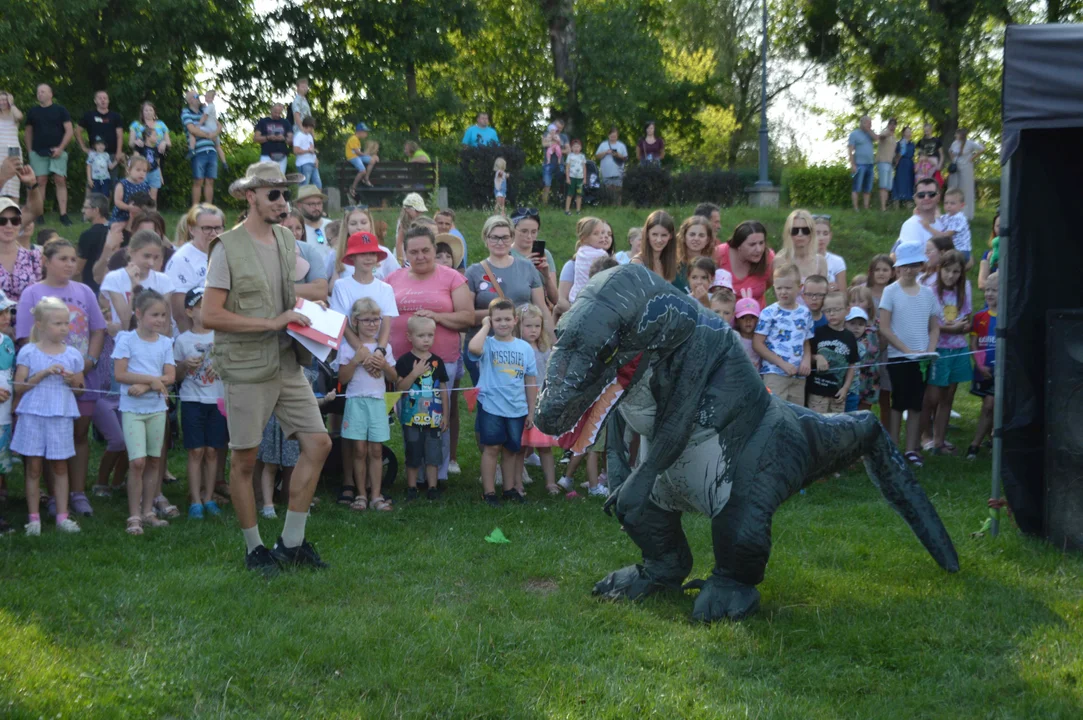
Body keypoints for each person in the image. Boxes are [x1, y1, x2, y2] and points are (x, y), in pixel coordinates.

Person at [202, 161, 333, 574]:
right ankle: (254, 547)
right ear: (250, 196)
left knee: (318, 444)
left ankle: (291, 541)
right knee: (244, 460)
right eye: (273, 193)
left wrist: (311, 312)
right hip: (245, 367)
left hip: (287, 361)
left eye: (285, 193)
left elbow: (287, 293)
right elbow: (210, 314)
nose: (282, 202)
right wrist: (271, 322)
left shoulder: (283, 238)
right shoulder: (226, 247)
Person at [15, 237, 106, 515]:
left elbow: (97, 329)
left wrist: (88, 361)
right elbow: (24, 336)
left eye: (73, 258)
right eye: (62, 258)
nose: (70, 264)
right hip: (44, 383)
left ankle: (77, 493)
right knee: (47, 435)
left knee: (79, 434)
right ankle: (53, 494)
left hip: (80, 374)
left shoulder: (84, 291)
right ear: (46, 261)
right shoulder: (32, 293)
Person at [386, 226, 473, 482]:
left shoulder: (452, 278)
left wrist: (437, 316)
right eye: (414, 251)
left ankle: (439, 472)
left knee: (437, 420)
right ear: (405, 253)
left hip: (441, 361)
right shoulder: (392, 279)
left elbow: (467, 317)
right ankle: (415, 472)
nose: (421, 256)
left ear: (435, 250)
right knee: (409, 417)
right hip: (403, 362)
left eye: (426, 250)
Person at [12, 296, 85, 535]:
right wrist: (42, 373)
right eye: (57, 323)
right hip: (33, 414)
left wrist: (72, 380)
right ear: (40, 325)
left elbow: (80, 389)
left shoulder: (73, 354)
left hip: (60, 415)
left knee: (60, 466)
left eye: (66, 323)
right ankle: (34, 518)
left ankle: (62, 516)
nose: (64, 328)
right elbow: (19, 387)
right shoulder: (29, 352)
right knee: (33, 467)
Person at [111, 289, 175, 534]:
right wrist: (152, 380)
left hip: (156, 409)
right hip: (133, 411)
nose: (160, 320)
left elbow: (169, 375)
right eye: (154, 315)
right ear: (138, 314)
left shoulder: (166, 342)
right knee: (137, 462)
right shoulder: (127, 339)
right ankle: (134, 514)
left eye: (163, 315)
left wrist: (146, 385)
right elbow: (120, 374)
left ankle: (148, 511)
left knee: (154, 460)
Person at [467, 299, 537, 506]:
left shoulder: (524, 348)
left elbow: (530, 381)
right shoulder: (487, 344)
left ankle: (509, 489)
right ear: (491, 321)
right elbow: (473, 347)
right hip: (491, 406)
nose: (503, 323)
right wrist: (486, 326)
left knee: (511, 450)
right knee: (491, 448)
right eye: (498, 319)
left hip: (517, 408)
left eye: (507, 319)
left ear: (515, 320)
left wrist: (531, 411)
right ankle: (489, 492)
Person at [878, 242, 940, 467]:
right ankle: (894, 446)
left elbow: (934, 326)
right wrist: (906, 351)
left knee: (917, 402)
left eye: (914, 265)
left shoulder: (927, 293)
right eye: (905, 265)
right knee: (898, 402)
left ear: (921, 266)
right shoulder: (890, 291)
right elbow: (884, 327)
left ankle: (911, 448)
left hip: (923, 359)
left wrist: (929, 349)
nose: (910, 270)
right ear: (898, 268)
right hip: (898, 357)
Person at [463, 215, 546, 385]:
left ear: (512, 239)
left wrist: (552, 342)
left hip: (521, 347)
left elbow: (541, 308)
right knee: (489, 400)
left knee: (524, 399)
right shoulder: (474, 272)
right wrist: (502, 314)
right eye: (494, 237)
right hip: (487, 348)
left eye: (505, 237)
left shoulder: (527, 267)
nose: (500, 242)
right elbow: (467, 316)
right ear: (486, 239)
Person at [338, 297, 398, 510]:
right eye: (367, 320)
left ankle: (376, 495)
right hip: (356, 402)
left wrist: (383, 365)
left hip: (377, 403)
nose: (373, 324)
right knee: (359, 450)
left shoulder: (385, 348)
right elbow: (343, 379)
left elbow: (394, 378)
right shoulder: (347, 347)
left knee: (376, 450)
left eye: (376, 320)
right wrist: (357, 360)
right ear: (355, 322)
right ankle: (361, 494)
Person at [173, 288, 225, 519]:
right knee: (196, 451)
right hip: (192, 400)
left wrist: (221, 366)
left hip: (218, 399)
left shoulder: (222, 336)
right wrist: (185, 365)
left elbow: (232, 366)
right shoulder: (182, 340)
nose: (206, 311)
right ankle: (195, 500)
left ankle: (209, 497)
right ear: (189, 311)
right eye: (200, 306)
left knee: (213, 450)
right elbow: (175, 376)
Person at [394, 314, 450, 502]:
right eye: (421, 336)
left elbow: (443, 390)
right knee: (413, 451)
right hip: (411, 417)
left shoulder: (437, 362)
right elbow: (400, 387)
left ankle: (433, 487)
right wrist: (415, 373)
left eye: (430, 335)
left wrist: (446, 416)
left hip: (434, 416)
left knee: (433, 451)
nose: (426, 340)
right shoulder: (404, 361)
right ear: (409, 337)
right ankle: (412, 487)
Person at [922, 250, 971, 454]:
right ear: (939, 269)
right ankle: (924, 436)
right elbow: (929, 323)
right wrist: (952, 328)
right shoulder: (931, 291)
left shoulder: (963, 291)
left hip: (958, 348)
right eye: (947, 271)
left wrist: (965, 326)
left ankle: (940, 440)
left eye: (956, 272)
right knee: (932, 396)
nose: (951, 276)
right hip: (938, 348)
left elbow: (968, 319)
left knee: (948, 396)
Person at [753, 264, 812, 406]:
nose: (783, 292)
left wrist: (806, 360)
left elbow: (806, 341)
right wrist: (782, 364)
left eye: (788, 288)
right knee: (775, 412)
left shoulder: (805, 313)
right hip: (775, 373)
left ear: (800, 287)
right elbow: (757, 343)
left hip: (798, 375)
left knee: (796, 415)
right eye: (779, 288)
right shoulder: (769, 313)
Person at [518, 304, 558, 494]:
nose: (533, 330)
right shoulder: (517, 348)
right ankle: (517, 481)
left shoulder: (544, 347)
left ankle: (551, 482)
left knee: (545, 445)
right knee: (518, 446)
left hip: (542, 399)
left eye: (537, 326)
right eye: (528, 326)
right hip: (521, 400)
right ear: (519, 325)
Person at [166, 205, 224, 331]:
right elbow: (180, 314)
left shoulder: (225, 253)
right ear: (192, 230)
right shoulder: (182, 261)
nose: (213, 233)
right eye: (207, 228)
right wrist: (192, 343)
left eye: (218, 228)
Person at [100, 230, 175, 330]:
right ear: (131, 252)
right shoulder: (114, 278)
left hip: (156, 341)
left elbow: (166, 324)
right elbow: (125, 323)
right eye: (146, 256)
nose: (151, 263)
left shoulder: (163, 280)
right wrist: (134, 287)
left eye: (155, 257)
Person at [25, 84, 74, 226]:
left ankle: (63, 214)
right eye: (38, 92)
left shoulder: (61, 110)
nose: (39, 94)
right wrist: (30, 151)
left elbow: (69, 131)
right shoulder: (33, 112)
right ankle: (39, 214)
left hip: (58, 151)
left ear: (50, 94)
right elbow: (28, 132)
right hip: (38, 152)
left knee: (60, 180)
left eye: (43, 91)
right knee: (40, 181)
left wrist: (61, 148)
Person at [807, 291, 859, 414]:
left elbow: (852, 365)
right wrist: (817, 358)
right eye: (828, 310)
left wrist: (846, 388)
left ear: (847, 310)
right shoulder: (818, 333)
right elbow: (807, 356)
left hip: (838, 393)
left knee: (836, 426)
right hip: (817, 392)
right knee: (817, 424)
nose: (832, 313)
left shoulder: (849, 337)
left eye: (836, 309)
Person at [966, 271, 997, 460]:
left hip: (1000, 370)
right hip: (982, 370)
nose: (990, 294)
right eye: (987, 290)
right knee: (987, 406)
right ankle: (992, 439)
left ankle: (974, 445)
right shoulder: (979, 317)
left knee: (990, 404)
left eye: (994, 290)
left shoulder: (1010, 316)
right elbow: (974, 344)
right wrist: (979, 364)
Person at [715, 220, 774, 309]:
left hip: (756, 316)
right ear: (739, 246)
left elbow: (771, 283)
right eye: (752, 244)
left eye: (761, 243)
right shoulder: (719, 254)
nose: (759, 249)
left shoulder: (768, 257)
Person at [333, 206, 399, 284]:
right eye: (353, 224)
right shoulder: (336, 253)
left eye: (364, 223)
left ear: (370, 225)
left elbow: (398, 281)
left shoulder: (384, 252)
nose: (359, 227)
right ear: (346, 227)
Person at [508, 208, 555, 305]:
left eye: (534, 232)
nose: (529, 236)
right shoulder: (506, 254)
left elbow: (555, 299)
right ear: (512, 230)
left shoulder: (545, 255)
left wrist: (547, 277)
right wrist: (524, 267)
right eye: (524, 231)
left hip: (540, 311)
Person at [0, 197, 43, 303]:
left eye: (15, 220)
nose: (9, 226)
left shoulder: (34, 257)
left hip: (27, 318)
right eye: (2, 221)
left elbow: (41, 295)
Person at [181, 90, 220, 205]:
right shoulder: (185, 112)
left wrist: (214, 133)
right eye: (196, 96)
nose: (199, 98)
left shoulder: (205, 110)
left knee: (210, 180)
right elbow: (192, 129)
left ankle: (209, 207)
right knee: (198, 180)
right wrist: (209, 135)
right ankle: (195, 209)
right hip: (198, 151)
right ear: (190, 100)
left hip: (211, 150)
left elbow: (219, 126)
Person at [846, 288, 880, 412]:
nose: (856, 304)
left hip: (869, 373)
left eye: (861, 301)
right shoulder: (846, 324)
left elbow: (881, 344)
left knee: (864, 411)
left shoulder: (875, 324)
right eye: (852, 301)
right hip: (853, 373)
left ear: (869, 303)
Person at [778, 209, 828, 284]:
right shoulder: (780, 260)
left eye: (805, 230)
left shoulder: (821, 262)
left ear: (812, 232)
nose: (800, 234)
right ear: (788, 232)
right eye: (795, 230)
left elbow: (823, 292)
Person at [570, 216, 612, 304]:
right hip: (590, 298)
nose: (602, 236)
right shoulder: (601, 254)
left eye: (602, 232)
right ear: (585, 238)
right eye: (596, 234)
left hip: (575, 296)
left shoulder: (580, 251)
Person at [631, 210, 678, 285]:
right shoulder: (638, 263)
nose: (659, 240)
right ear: (647, 234)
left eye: (664, 235)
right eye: (654, 234)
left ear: (670, 236)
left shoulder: (668, 262)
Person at [674, 214, 718, 292]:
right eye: (692, 234)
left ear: (707, 240)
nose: (696, 239)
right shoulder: (673, 265)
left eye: (701, 235)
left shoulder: (711, 267)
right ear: (684, 237)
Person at [75, 193, 110, 292]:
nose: (83, 211)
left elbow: (78, 268)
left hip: (92, 287)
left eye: (86, 207)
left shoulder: (87, 235)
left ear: (96, 210)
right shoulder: (116, 231)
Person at [947, 128, 984, 220]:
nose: (955, 136)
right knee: (954, 188)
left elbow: (982, 149)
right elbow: (950, 151)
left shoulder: (970, 143)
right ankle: (953, 211)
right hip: (956, 169)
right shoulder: (955, 143)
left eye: (957, 134)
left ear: (961, 135)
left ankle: (966, 214)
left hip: (966, 168)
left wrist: (972, 158)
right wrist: (953, 161)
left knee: (965, 190)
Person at [934, 188, 973, 267]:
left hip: (962, 251)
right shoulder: (948, 216)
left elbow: (947, 235)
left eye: (952, 203)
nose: (948, 206)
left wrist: (928, 228)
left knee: (943, 263)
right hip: (954, 249)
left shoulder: (959, 218)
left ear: (961, 205)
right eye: (946, 203)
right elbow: (939, 217)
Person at [847, 115, 876, 211]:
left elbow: (877, 138)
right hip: (859, 164)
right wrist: (852, 164)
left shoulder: (869, 134)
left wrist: (869, 130)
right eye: (868, 123)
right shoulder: (854, 134)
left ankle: (866, 208)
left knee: (867, 188)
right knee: (857, 187)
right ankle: (856, 208)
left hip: (870, 164)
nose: (870, 125)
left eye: (870, 123)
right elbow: (850, 150)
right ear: (862, 123)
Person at [110, 156, 150, 224]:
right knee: (117, 231)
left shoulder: (145, 186)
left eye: (144, 171)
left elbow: (148, 201)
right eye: (138, 170)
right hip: (121, 216)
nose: (142, 173)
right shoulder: (122, 184)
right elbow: (117, 201)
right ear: (128, 170)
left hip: (139, 216)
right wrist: (129, 207)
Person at [813, 215, 846, 292]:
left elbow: (843, 294)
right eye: (817, 233)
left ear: (830, 236)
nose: (821, 238)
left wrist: (833, 289)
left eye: (825, 234)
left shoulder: (837, 261)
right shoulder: (803, 259)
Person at [595, 127, 628, 206]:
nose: (613, 138)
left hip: (618, 171)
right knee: (608, 190)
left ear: (617, 136)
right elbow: (597, 156)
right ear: (608, 135)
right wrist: (605, 152)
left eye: (614, 136)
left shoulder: (621, 145)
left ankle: (618, 206)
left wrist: (617, 154)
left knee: (618, 190)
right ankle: (608, 206)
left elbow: (625, 158)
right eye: (611, 136)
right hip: (606, 172)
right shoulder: (603, 145)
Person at [0, 92, 23, 199]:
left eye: (5, 100)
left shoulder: (14, 115)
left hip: (13, 150)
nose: (3, 102)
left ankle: (15, 212)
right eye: (1, 100)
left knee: (14, 181)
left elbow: (19, 116)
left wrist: (12, 104)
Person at [345, 122, 377, 197]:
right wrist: (366, 155)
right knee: (362, 171)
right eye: (365, 132)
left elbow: (359, 153)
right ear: (360, 132)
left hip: (357, 156)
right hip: (353, 157)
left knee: (372, 160)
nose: (366, 134)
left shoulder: (357, 140)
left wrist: (371, 156)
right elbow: (357, 152)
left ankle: (366, 178)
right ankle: (353, 187)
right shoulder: (353, 139)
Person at [540, 120, 566, 207]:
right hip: (548, 164)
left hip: (560, 164)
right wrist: (553, 143)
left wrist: (556, 147)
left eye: (560, 128)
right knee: (547, 184)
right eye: (557, 127)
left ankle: (562, 203)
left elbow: (568, 150)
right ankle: (544, 205)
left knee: (562, 184)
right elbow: (544, 144)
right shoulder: (547, 133)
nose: (558, 129)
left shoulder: (563, 136)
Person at [292, 116, 321, 189]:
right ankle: (301, 200)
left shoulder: (309, 136)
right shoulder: (299, 136)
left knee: (318, 184)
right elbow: (295, 151)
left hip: (312, 162)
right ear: (307, 126)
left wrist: (316, 159)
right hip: (303, 163)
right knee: (304, 185)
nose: (312, 129)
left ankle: (318, 200)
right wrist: (308, 151)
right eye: (311, 127)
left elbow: (312, 149)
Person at [734, 297, 761, 370]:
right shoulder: (734, 339)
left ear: (758, 320)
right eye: (743, 317)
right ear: (736, 321)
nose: (748, 321)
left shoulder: (761, 341)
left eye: (752, 317)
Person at [876, 118, 897, 211]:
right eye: (891, 124)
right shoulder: (885, 132)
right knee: (883, 186)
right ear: (888, 125)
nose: (893, 126)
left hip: (890, 163)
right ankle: (883, 207)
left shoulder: (894, 137)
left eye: (894, 124)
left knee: (888, 186)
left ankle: (885, 207)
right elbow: (881, 137)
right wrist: (886, 133)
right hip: (882, 161)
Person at [562, 138, 586, 216]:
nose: (576, 148)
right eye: (574, 147)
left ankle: (578, 210)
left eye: (578, 147)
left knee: (579, 194)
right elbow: (567, 167)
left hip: (580, 178)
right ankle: (567, 210)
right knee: (570, 194)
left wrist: (585, 178)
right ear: (571, 148)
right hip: (572, 178)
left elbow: (584, 168)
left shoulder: (582, 156)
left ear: (580, 148)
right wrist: (567, 178)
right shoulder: (570, 156)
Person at [915, 123, 945, 187]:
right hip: (924, 162)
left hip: (934, 161)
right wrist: (919, 162)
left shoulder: (937, 140)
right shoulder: (921, 141)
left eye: (928, 130)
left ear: (931, 129)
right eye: (925, 130)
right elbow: (919, 154)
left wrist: (939, 165)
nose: (926, 132)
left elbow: (941, 154)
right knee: (923, 180)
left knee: (933, 181)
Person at [892, 126, 915, 204]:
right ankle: (896, 204)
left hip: (910, 165)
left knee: (909, 183)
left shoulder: (912, 144)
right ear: (903, 133)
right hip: (901, 164)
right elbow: (895, 155)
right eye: (907, 132)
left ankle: (908, 203)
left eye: (910, 132)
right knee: (899, 182)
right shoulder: (899, 143)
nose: (908, 133)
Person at [978, 212, 1000, 291]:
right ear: (994, 228)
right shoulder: (988, 254)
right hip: (992, 301)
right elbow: (981, 283)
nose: (1002, 229)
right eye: (998, 226)